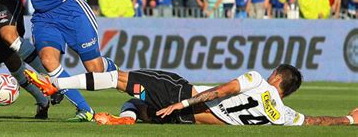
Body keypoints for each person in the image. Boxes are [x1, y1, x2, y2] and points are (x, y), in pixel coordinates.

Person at [26, 64, 358, 126]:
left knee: (119, 79)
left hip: (181, 96)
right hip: (189, 121)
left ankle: (58, 84)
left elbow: (220, 91)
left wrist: (181, 100)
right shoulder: (284, 116)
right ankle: (126, 119)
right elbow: (316, 120)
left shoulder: (258, 80)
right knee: (137, 106)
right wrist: (348, 119)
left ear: (276, 77)